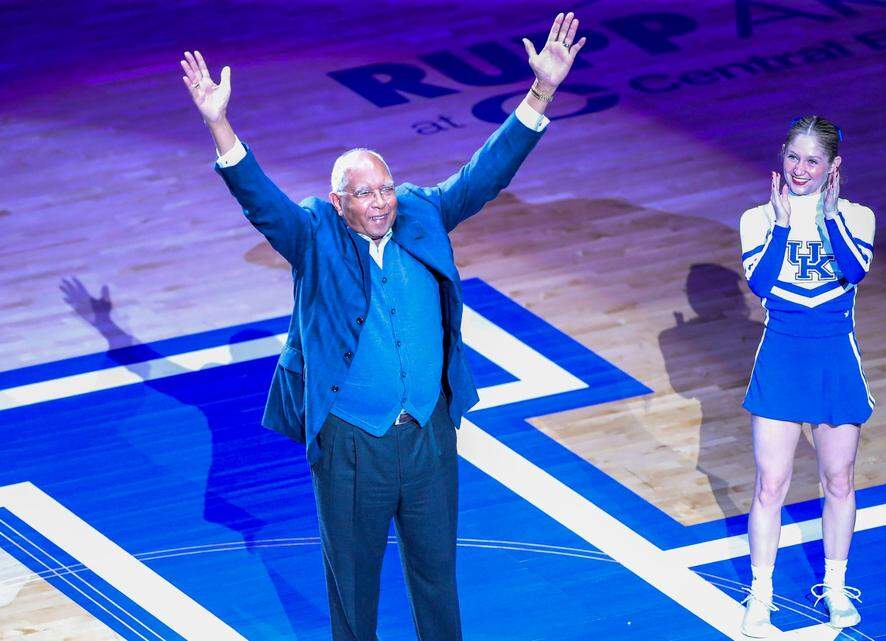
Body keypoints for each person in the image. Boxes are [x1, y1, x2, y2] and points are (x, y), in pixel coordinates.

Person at [179, 13, 584, 641]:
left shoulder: (422, 214)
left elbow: (485, 173)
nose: (380, 202)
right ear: (340, 202)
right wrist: (218, 122)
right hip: (351, 446)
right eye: (364, 194)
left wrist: (540, 94)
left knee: (436, 578)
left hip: (426, 436)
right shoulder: (313, 235)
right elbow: (260, 199)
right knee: (354, 585)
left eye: (385, 189)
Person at [737, 116, 876, 636]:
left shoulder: (858, 217)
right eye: (793, 157)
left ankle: (836, 588)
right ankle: (761, 595)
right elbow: (763, 284)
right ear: (782, 156)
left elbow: (854, 270)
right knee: (770, 484)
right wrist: (779, 225)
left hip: (835, 360)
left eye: (813, 160)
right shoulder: (756, 218)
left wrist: (831, 217)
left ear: (832, 166)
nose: (800, 169)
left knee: (838, 480)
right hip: (781, 357)